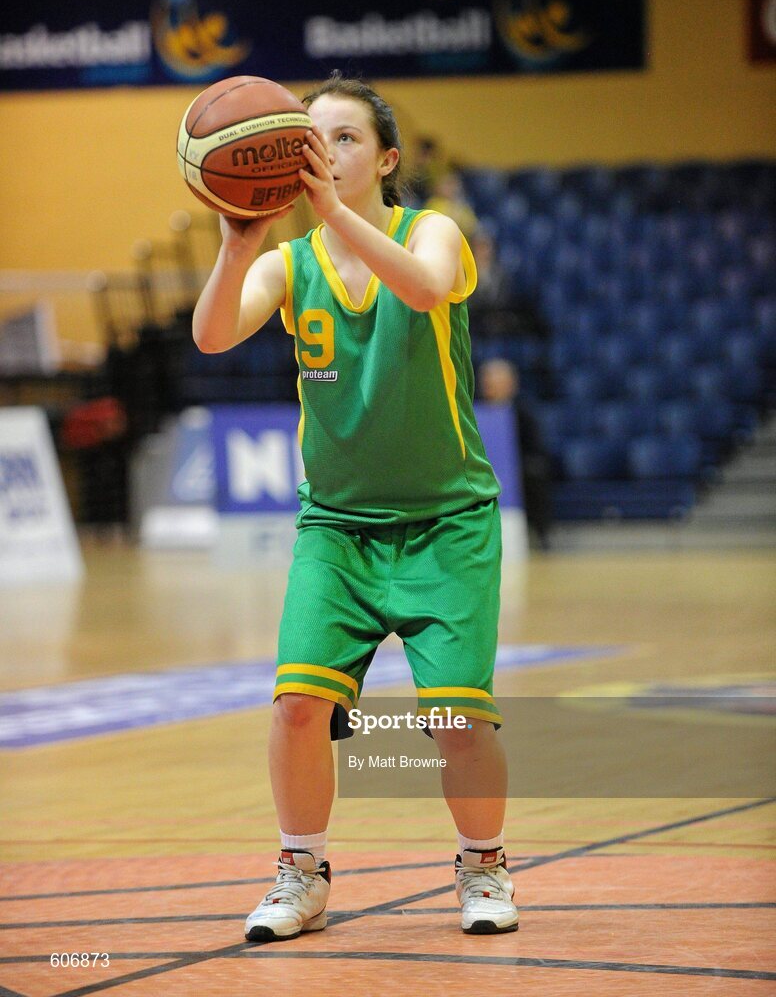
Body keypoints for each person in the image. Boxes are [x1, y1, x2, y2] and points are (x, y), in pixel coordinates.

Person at [192, 72, 518, 942]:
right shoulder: (286, 263)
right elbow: (212, 334)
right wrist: (237, 241)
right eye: (310, 138)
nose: (322, 153)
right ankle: (301, 872)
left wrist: (332, 215)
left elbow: (422, 289)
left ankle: (482, 867)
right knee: (297, 707)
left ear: (386, 159)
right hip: (337, 527)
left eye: (341, 139)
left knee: (455, 717)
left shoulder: (434, 232)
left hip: (447, 522)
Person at [478, 358, 553, 550]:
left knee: (533, 475)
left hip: (515, 472)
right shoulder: (473, 411)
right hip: (480, 469)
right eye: (487, 383)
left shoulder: (522, 413)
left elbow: (534, 448)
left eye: (495, 383)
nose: (490, 388)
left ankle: (540, 534)